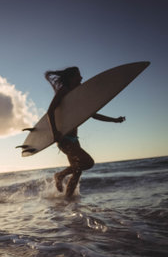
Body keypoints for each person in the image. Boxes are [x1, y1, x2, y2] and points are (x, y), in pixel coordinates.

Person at [46, 67, 125, 198]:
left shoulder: (78, 95)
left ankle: (68, 200)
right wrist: (55, 133)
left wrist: (114, 120)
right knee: (88, 163)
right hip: (64, 138)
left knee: (77, 171)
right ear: (71, 78)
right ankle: (60, 175)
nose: (81, 78)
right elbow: (50, 112)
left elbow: (93, 114)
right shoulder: (64, 91)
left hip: (74, 138)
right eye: (78, 75)